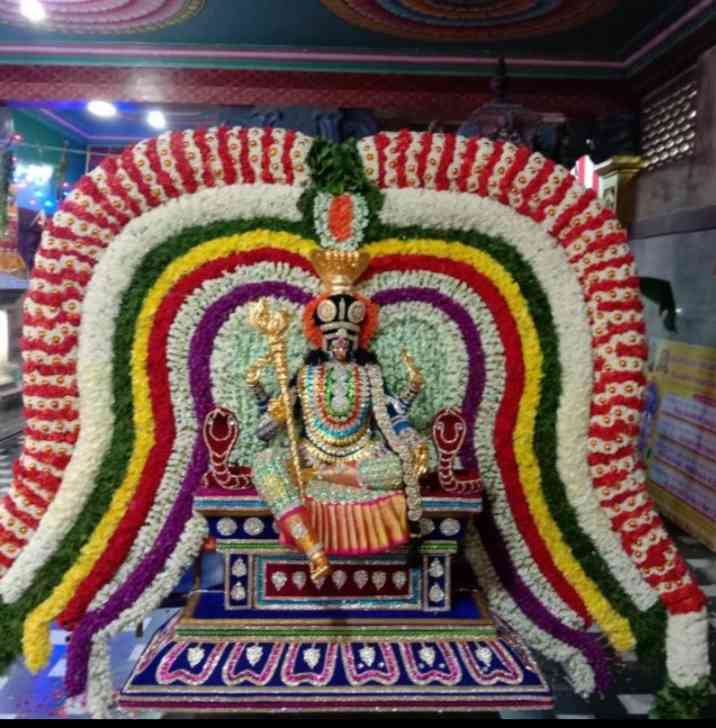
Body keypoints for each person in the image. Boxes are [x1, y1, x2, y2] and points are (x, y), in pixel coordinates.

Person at [249, 250, 426, 583]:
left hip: (361, 458)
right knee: (265, 462)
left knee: (403, 466)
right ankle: (313, 549)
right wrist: (276, 414)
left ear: (358, 339)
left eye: (348, 338)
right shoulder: (305, 375)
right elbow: (263, 433)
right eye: (335, 337)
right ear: (323, 338)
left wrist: (410, 438)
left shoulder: (369, 374)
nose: (341, 344)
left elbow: (391, 416)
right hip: (311, 453)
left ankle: (322, 476)